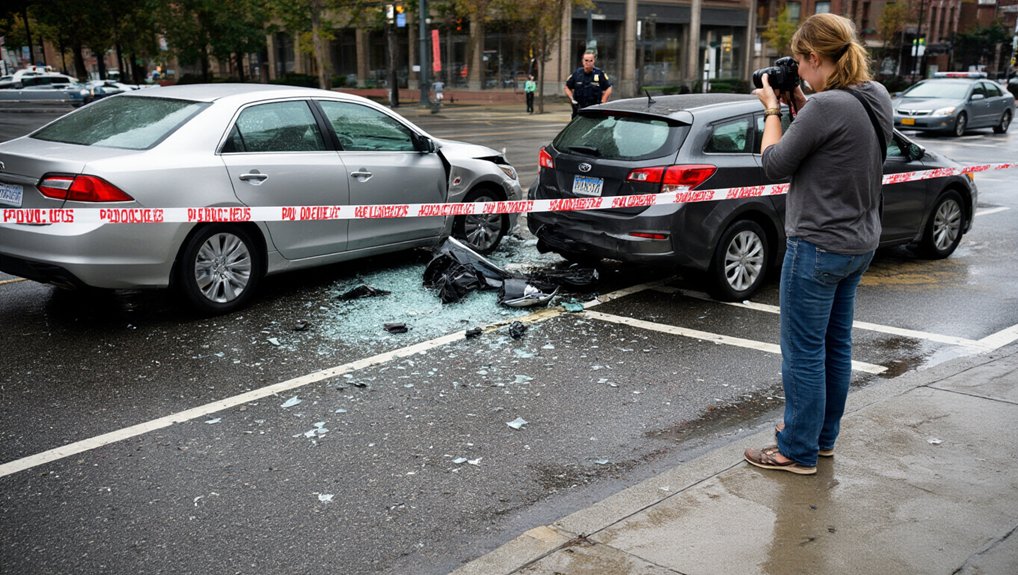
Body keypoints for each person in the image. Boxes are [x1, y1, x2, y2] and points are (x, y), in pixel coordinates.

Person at [743, 13, 892, 476]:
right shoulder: (874, 95)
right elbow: (833, 133)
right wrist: (799, 100)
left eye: (799, 61)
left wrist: (772, 108)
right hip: (858, 244)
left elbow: (774, 164)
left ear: (812, 58)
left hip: (817, 246)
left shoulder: (829, 107)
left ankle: (797, 450)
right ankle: (821, 439)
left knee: (803, 352)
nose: (794, 69)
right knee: (835, 346)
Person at [564, 51, 612, 118]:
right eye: (586, 60)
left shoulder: (599, 74)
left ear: (594, 61)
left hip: (594, 110)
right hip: (579, 110)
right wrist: (572, 99)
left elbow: (608, 88)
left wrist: (603, 101)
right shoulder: (577, 74)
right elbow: (567, 87)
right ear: (582, 61)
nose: (588, 63)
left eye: (591, 60)